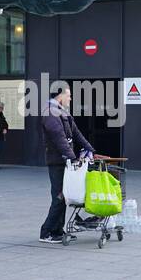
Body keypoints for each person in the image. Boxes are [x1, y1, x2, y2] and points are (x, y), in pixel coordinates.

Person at [38, 85, 95, 243]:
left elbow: (76, 133)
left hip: (65, 161)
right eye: (68, 95)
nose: (70, 98)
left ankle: (57, 230)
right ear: (60, 95)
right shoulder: (49, 111)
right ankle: (46, 232)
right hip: (57, 161)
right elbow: (59, 137)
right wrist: (72, 157)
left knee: (65, 196)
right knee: (59, 197)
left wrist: (90, 148)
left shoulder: (61, 110)